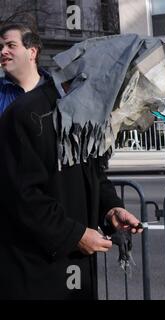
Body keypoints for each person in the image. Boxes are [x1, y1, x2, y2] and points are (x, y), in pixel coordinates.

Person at [0, 49, 142, 301]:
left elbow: (94, 174)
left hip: (73, 266)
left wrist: (110, 209)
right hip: (34, 270)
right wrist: (73, 235)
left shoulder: (86, 116)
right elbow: (21, 194)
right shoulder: (26, 114)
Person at [0, 23, 50, 117]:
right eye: (0, 48)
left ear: (32, 52)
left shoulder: (58, 92)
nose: (2, 52)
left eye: (11, 45)